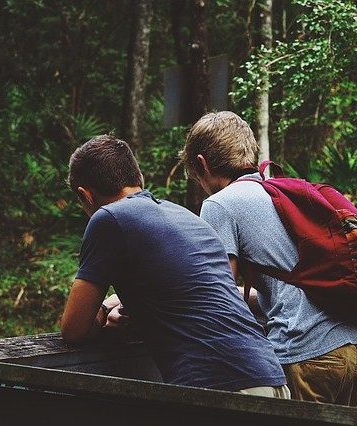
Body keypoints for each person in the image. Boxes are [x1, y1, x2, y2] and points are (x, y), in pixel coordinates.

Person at [61, 134, 290, 397]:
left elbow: (74, 329)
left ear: (85, 195)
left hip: (219, 385)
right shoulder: (185, 217)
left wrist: (102, 308)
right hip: (270, 376)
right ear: (139, 179)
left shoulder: (109, 218)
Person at [181, 111, 357, 406]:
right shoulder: (284, 194)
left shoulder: (219, 204)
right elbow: (289, 288)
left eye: (196, 178)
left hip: (308, 352)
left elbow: (216, 296)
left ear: (202, 164)